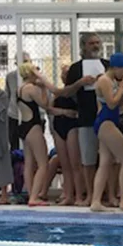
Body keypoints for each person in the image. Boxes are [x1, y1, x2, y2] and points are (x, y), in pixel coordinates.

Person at [90, 53, 123, 212]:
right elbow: (111, 104)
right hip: (106, 122)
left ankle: (96, 202)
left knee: (105, 162)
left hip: (108, 122)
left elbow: (120, 106)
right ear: (116, 67)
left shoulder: (110, 81)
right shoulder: (104, 80)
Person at [64, 34, 106, 205]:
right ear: (84, 46)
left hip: (105, 119)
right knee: (87, 160)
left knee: (108, 159)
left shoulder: (107, 66)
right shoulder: (75, 69)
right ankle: (90, 194)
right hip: (85, 118)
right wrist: (79, 83)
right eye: (91, 43)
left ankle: (108, 195)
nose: (95, 46)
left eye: (97, 42)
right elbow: (66, 92)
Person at [16, 63, 54, 206]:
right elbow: (45, 105)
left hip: (24, 127)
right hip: (33, 127)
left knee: (29, 163)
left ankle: (31, 195)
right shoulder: (31, 88)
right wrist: (43, 87)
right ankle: (34, 197)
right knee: (43, 164)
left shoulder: (19, 89)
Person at [49, 65, 82, 206]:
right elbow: (49, 108)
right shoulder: (58, 92)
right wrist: (64, 112)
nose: (64, 76)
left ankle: (79, 196)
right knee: (65, 165)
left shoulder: (77, 92)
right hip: (58, 127)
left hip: (72, 127)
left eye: (67, 73)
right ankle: (68, 195)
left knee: (75, 164)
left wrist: (66, 113)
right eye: (62, 73)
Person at [4, 52, 30, 152]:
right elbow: (7, 95)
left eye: (26, 62)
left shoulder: (36, 77)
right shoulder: (10, 76)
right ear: (16, 63)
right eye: (21, 62)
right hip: (14, 114)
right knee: (14, 143)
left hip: (30, 116)